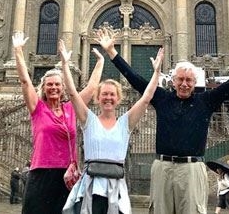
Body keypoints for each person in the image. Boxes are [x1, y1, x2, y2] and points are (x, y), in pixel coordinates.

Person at [96, 28, 229, 214]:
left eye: (189, 80)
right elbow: (135, 79)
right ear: (173, 81)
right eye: (180, 79)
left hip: (192, 169)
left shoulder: (206, 101)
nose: (184, 84)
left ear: (195, 82)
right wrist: (112, 52)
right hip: (163, 168)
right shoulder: (161, 98)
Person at [59, 39, 164, 214]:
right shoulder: (88, 120)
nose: (108, 98)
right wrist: (64, 64)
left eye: (112, 95)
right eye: (104, 94)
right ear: (97, 98)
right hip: (90, 188)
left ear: (118, 98)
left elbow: (146, 98)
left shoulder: (125, 123)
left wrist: (157, 73)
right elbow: (72, 93)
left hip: (116, 189)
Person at [12, 32, 104, 214]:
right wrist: (18, 51)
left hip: (66, 175)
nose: (53, 87)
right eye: (49, 85)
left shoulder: (71, 108)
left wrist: (101, 60)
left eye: (57, 84)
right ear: (44, 88)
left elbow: (92, 87)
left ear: (63, 88)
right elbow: (24, 81)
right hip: (41, 173)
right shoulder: (37, 108)